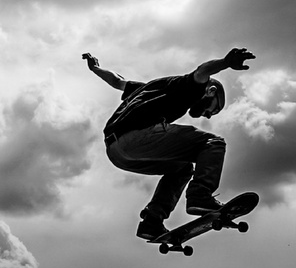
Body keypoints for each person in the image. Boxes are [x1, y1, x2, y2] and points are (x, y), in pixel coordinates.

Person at [84, 46, 255, 241]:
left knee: (181, 169)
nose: (207, 115)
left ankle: (152, 222)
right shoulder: (192, 87)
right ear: (211, 91)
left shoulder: (149, 88)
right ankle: (201, 196)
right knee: (212, 142)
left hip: (116, 152)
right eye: (213, 109)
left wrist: (95, 69)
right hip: (139, 136)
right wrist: (226, 62)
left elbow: (117, 81)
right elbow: (202, 71)